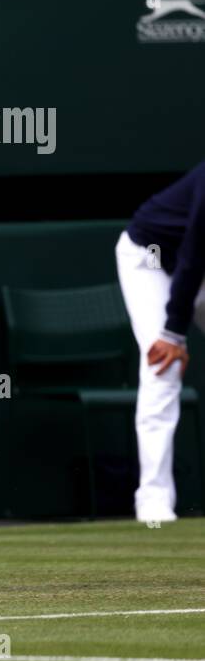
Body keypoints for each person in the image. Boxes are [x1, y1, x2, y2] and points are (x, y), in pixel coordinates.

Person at [115, 159, 205, 524]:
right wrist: (172, 333)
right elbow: (193, 256)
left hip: (192, 268)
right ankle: (154, 501)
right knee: (162, 367)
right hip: (147, 259)